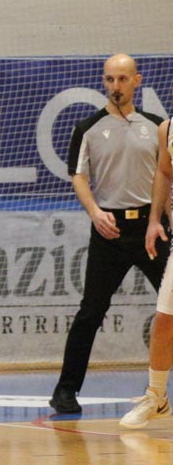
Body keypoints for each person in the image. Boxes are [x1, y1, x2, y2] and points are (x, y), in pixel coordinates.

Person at [49, 54, 168, 414]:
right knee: (91, 311)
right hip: (110, 230)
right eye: (110, 79)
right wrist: (95, 213)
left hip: (151, 228)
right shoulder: (88, 128)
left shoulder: (157, 126)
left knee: (171, 309)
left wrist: (162, 219)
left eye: (122, 79)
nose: (116, 86)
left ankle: (159, 391)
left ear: (137, 81)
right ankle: (65, 391)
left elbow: (166, 177)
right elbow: (78, 175)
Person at [120, 112, 173, 427]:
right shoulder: (167, 128)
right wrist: (154, 220)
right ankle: (157, 397)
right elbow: (165, 172)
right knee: (165, 319)